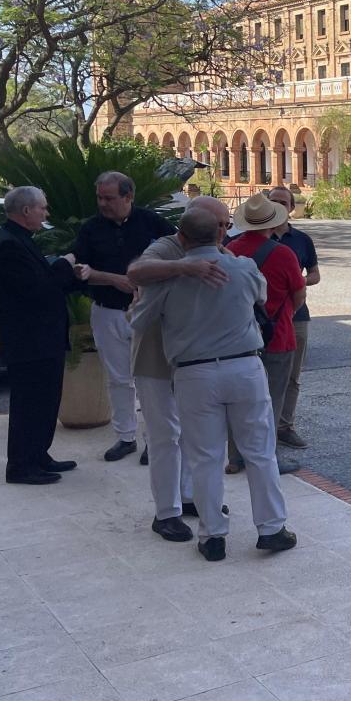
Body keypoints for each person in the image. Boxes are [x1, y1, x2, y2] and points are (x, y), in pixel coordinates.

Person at [154, 207, 297, 562]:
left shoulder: (169, 276)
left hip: (194, 372)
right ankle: (271, 528)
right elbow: (260, 296)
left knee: (205, 458)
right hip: (244, 365)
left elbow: (142, 319)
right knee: (259, 451)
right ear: (221, 234)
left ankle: (213, 535)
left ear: (181, 238)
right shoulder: (243, 267)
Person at [127, 197, 231, 540]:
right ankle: (166, 513)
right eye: (218, 225)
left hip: (193, 359)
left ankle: (188, 497)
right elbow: (136, 272)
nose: (222, 232)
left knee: (193, 434)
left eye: (226, 225)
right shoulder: (166, 247)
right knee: (163, 436)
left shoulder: (220, 251)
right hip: (155, 358)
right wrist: (185, 268)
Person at [71, 171, 174, 461]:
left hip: (148, 313)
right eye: (99, 198)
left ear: (128, 196)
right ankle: (125, 437)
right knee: (118, 379)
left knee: (152, 380)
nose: (102, 204)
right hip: (107, 311)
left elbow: (178, 256)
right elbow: (80, 270)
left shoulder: (152, 222)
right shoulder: (90, 229)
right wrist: (113, 279)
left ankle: (155, 440)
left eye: (109, 198)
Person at [0, 187, 83, 485]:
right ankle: (21, 465)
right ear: (27, 210)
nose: (46, 213)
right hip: (28, 341)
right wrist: (65, 263)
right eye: (43, 207)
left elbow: (44, 283)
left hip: (42, 339)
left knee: (45, 401)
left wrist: (70, 274)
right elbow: (38, 289)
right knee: (29, 404)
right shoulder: (8, 245)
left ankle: (38, 454)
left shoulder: (20, 239)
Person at [224, 193, 305, 470]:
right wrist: (284, 315)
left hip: (238, 336)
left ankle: (236, 456)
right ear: (272, 223)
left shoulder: (231, 249)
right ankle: (267, 458)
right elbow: (298, 294)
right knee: (271, 399)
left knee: (238, 400)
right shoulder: (283, 254)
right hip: (277, 335)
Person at [266, 185, 319, 449]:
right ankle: (261, 428)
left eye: (283, 203)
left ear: (290, 208)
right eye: (273, 201)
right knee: (260, 374)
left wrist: (298, 281)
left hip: (296, 315)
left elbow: (315, 274)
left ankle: (284, 426)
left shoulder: (301, 240)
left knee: (292, 375)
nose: (278, 206)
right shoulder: (254, 237)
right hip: (260, 316)